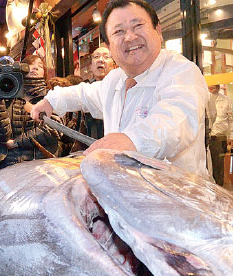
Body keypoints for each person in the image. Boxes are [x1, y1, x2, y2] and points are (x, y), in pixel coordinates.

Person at [30, 0, 209, 177]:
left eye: (138, 25)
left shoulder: (181, 71)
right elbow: (86, 93)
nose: (130, 37)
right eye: (119, 31)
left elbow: (176, 119)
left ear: (158, 31)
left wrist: (133, 140)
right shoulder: (115, 79)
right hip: (125, 192)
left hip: (178, 196)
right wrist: (51, 100)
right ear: (109, 46)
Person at [0, 54, 59, 169]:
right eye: (30, 64)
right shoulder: (7, 94)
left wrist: (17, 142)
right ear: (21, 68)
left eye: (40, 66)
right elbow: (2, 135)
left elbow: (53, 130)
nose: (35, 68)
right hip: (11, 163)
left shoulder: (52, 96)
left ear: (44, 73)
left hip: (42, 163)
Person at [83, 46, 116, 140]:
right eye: (96, 56)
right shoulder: (84, 91)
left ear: (115, 66)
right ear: (90, 67)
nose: (100, 60)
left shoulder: (121, 88)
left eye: (106, 57)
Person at [207, 84, 233, 185]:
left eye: (215, 86)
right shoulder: (204, 98)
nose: (212, 88)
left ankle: (219, 187)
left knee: (218, 165)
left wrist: (232, 137)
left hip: (219, 136)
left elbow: (232, 119)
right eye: (210, 86)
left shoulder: (226, 100)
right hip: (206, 136)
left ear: (219, 87)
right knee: (206, 164)